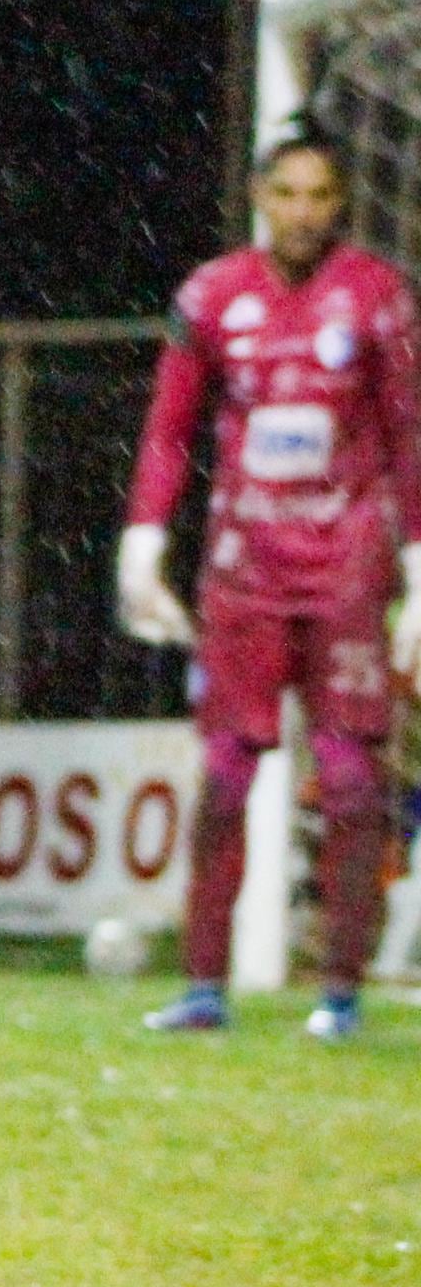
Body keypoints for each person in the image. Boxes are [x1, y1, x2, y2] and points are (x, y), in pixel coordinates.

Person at [115, 130, 421, 1039]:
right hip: (244, 570)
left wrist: (418, 566)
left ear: (340, 203)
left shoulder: (375, 298)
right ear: (259, 194)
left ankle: (340, 992)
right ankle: (204, 986)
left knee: (353, 780)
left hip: (345, 569)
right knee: (222, 777)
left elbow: (408, 436)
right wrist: (142, 542)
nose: (301, 210)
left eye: (319, 193)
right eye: (285, 191)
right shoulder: (213, 295)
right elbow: (170, 430)